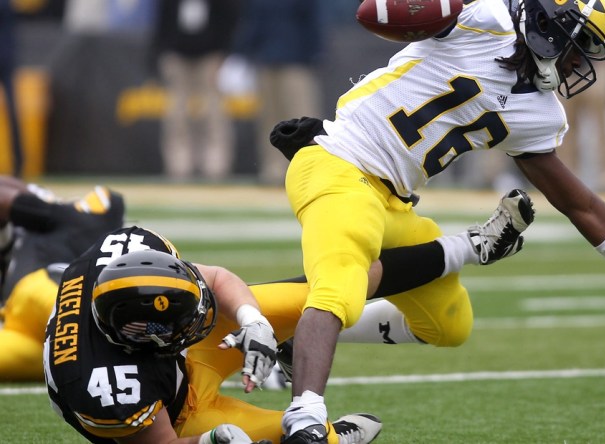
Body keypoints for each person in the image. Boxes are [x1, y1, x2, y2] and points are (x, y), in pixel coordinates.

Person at [276, 0, 605, 442]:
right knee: (338, 281)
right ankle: (306, 415)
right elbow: (374, 13)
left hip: (392, 198)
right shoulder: (484, 17)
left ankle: (296, 333)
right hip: (339, 163)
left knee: (447, 323)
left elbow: (582, 206)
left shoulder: (538, 112)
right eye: (578, 49)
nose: (579, 66)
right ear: (549, 29)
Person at [43, 194, 532, 444]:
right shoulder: (101, 384)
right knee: (311, 436)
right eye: (182, 323)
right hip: (178, 413)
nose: (201, 320)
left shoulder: (123, 258)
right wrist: (212, 441)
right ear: (141, 335)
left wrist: (252, 319)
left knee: (332, 286)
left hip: (169, 359)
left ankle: (469, 246)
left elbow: (213, 276)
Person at [0, 176, 125, 381]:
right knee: (70, 352)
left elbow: (4, 197)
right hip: (24, 332)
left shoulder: (70, 217)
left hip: (47, 291)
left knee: (79, 321)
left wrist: (31, 193)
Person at [230, 0, 325, 185]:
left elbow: (312, 22)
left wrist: (315, 54)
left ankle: (308, 169)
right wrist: (243, 52)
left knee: (303, 119)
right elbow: (254, 22)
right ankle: (273, 170)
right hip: (266, 60)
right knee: (269, 119)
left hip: (296, 62)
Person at [150, 0, 240, 181]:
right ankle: (178, 165)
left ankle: (216, 164)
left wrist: (224, 52)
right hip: (177, 53)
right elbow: (162, 20)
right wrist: (160, 53)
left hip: (210, 54)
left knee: (215, 112)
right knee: (176, 113)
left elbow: (228, 18)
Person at [0, 0, 23, 177]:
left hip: (4, 59)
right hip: (7, 57)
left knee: (12, 112)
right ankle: (19, 162)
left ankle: (19, 163)